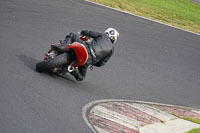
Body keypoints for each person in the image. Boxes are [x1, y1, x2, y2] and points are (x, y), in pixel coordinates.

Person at [52, 28, 119, 81]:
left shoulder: (102, 35)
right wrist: (92, 63)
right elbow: (101, 63)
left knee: (72, 35)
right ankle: (74, 70)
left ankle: (62, 48)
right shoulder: (111, 50)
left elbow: (89, 33)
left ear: (107, 32)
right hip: (89, 60)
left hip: (86, 48)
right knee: (81, 77)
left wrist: (82, 32)